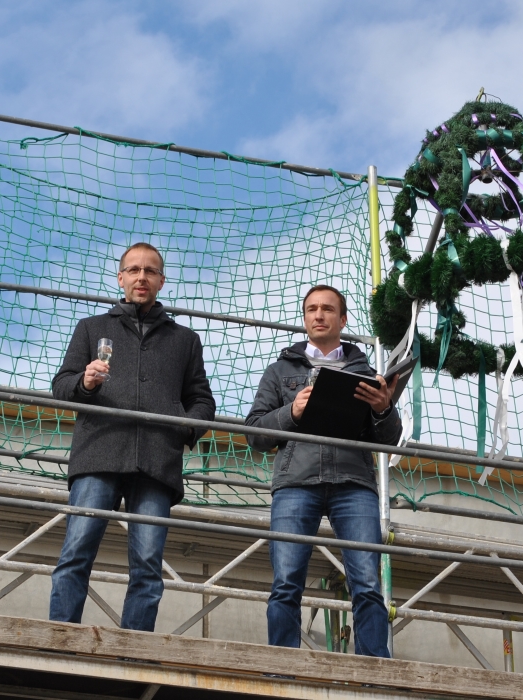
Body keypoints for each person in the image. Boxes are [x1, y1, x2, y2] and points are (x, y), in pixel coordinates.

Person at [49, 242, 215, 630]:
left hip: (157, 462)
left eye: (150, 271)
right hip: (98, 456)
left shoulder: (185, 340)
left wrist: (183, 426)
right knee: (76, 552)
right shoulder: (91, 328)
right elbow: (61, 386)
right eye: (134, 270)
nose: (142, 277)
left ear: (161, 280)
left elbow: (202, 400)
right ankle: (60, 635)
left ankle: (134, 650)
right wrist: (85, 383)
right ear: (120, 277)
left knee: (148, 566)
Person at [245, 285, 401, 657]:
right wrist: (291, 412)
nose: (319, 315)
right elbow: (254, 434)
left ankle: (373, 669)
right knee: (286, 582)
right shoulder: (279, 371)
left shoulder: (369, 373)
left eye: (328, 309)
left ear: (343, 320)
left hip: (354, 483)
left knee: (366, 583)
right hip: (296, 483)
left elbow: (390, 440)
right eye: (312, 309)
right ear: (305, 319)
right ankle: (282, 663)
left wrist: (383, 408)